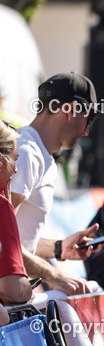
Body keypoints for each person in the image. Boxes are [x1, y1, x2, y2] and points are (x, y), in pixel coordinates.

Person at [10, 73, 103, 296]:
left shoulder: (37, 153)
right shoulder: (27, 153)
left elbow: (18, 241)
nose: (86, 131)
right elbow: (2, 241)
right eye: (89, 119)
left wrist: (59, 248)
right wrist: (52, 275)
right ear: (71, 110)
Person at [0, 118, 32, 314]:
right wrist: (28, 289)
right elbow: (14, 290)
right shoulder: (2, 207)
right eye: (15, 159)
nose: (17, 169)